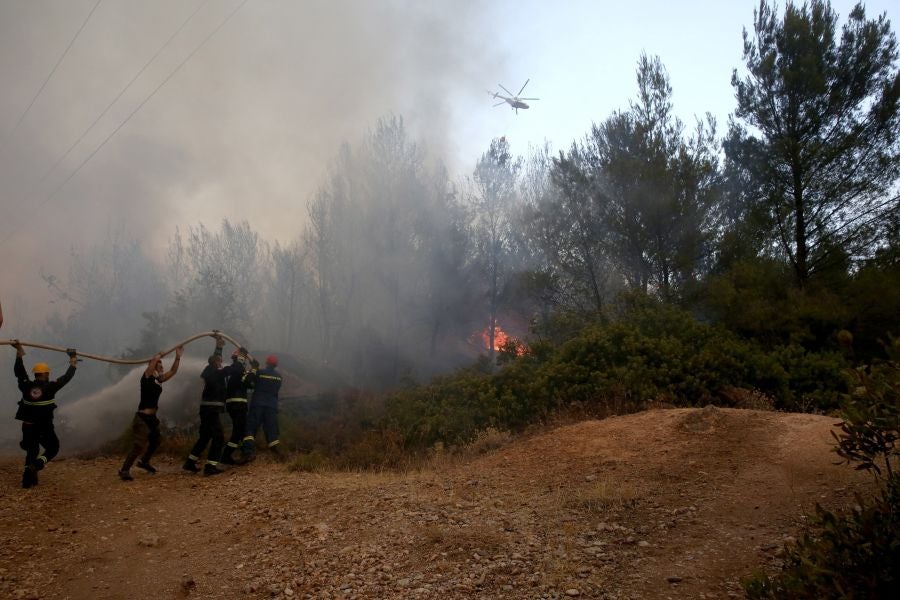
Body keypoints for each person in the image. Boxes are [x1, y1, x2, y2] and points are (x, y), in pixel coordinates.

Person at [12, 341, 77, 488]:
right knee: (53, 448)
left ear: (36, 374)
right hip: (44, 427)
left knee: (32, 450)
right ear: (45, 374)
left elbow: (19, 371)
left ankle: (27, 480)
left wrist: (19, 352)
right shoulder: (51, 387)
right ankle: (37, 465)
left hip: (28, 426)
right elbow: (67, 377)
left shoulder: (25, 386)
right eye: (48, 373)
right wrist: (73, 359)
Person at [118, 346, 183, 481]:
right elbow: (153, 362)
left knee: (155, 441)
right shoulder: (146, 376)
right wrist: (158, 356)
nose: (162, 365)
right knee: (139, 445)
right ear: (152, 366)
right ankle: (124, 470)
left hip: (152, 418)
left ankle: (144, 462)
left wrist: (177, 357)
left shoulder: (159, 380)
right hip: (142, 418)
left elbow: (173, 371)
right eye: (159, 364)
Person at [183, 336, 228, 476]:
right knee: (218, 437)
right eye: (219, 361)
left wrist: (219, 346)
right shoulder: (212, 371)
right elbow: (222, 366)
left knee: (205, 436)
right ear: (215, 363)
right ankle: (210, 467)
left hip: (207, 410)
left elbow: (215, 359)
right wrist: (239, 361)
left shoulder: (212, 370)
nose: (221, 363)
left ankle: (190, 462)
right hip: (210, 410)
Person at [241, 354, 283, 461]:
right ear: (276, 365)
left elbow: (249, 382)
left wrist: (253, 368)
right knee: (271, 428)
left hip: (258, 404)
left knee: (250, 427)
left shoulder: (260, 373)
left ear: (266, 363)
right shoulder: (279, 377)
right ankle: (276, 452)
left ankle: (248, 452)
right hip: (271, 406)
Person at [220, 346, 250, 465]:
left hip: (234, 403)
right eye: (242, 357)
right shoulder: (237, 368)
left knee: (240, 429)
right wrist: (252, 370)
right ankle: (226, 455)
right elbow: (247, 383)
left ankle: (245, 451)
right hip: (238, 404)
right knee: (238, 431)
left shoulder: (234, 369)